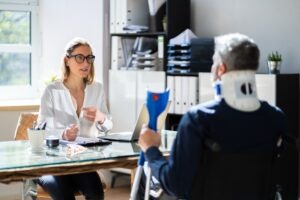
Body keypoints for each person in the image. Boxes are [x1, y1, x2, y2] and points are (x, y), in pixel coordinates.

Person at [138, 33, 287, 199]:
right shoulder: (276, 118)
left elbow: (176, 185)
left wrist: (151, 150)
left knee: (147, 183)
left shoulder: (198, 119)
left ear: (221, 69)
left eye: (213, 63)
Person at [37, 37, 113, 200]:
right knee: (64, 195)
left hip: (81, 161)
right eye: (80, 57)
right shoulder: (51, 90)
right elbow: (41, 130)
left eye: (89, 58)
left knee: (95, 192)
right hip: (52, 163)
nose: (86, 63)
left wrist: (101, 118)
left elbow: (107, 126)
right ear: (67, 60)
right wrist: (63, 135)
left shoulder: (97, 89)